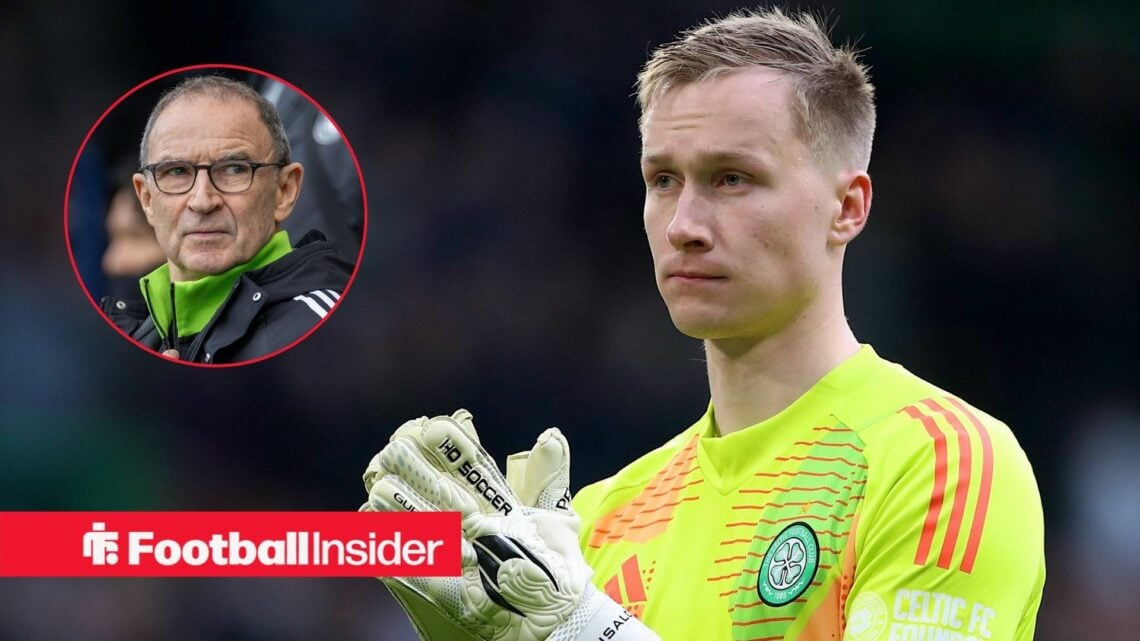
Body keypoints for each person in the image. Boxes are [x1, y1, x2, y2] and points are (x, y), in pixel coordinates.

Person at [361, 8, 1044, 641]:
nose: (684, 225)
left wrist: (583, 628)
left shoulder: (943, 461)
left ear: (847, 207)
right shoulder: (592, 525)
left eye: (732, 179)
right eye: (663, 180)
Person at [106, 75, 353, 364]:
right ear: (146, 199)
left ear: (284, 191)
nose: (202, 201)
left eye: (234, 169)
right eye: (176, 172)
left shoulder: (326, 333)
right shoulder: (134, 341)